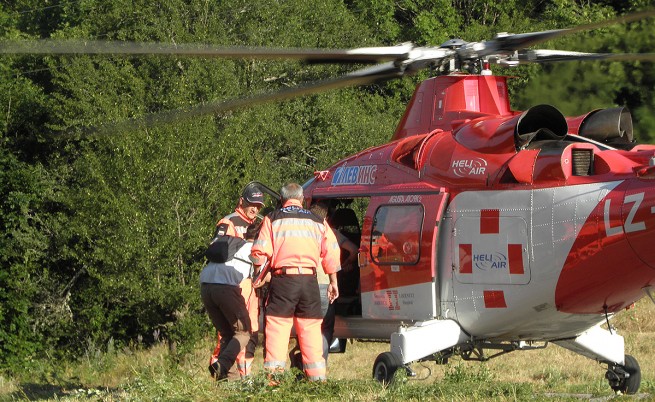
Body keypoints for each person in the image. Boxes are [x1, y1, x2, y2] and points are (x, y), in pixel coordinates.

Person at [251, 183, 340, 382]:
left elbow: (259, 253)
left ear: (282, 200)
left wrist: (259, 276)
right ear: (302, 199)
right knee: (310, 331)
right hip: (309, 282)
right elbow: (332, 252)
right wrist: (333, 281)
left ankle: (274, 381)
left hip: (283, 281)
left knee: (278, 328)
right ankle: (317, 380)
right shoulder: (318, 220)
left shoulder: (272, 219)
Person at [208, 185, 264, 379]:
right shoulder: (229, 221)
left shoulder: (261, 223)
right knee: (231, 333)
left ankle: (244, 377)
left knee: (251, 334)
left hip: (251, 285)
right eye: (252, 204)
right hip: (232, 282)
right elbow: (216, 250)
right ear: (242, 201)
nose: (255, 209)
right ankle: (221, 371)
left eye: (258, 205)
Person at [200, 222, 260, 380]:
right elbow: (264, 276)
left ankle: (228, 381)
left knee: (228, 334)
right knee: (244, 331)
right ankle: (223, 364)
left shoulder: (235, 246)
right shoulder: (255, 250)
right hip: (225, 288)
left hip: (206, 286)